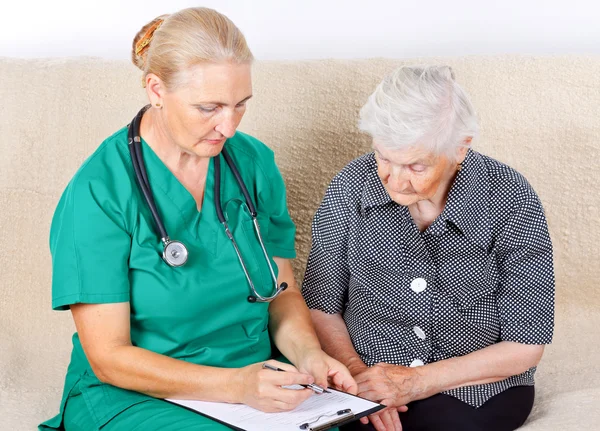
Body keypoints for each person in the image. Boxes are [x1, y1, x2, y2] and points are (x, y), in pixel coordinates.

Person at [39, 7, 355, 430]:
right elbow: (110, 358)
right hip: (141, 393)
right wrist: (235, 387)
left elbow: (281, 293)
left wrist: (309, 355)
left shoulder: (253, 164)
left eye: (241, 105)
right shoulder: (100, 190)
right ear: (156, 89)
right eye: (209, 107)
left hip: (256, 378)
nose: (228, 126)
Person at [302, 65, 555, 431]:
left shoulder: (510, 197)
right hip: (365, 376)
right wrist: (362, 380)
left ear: (460, 148)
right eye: (384, 157)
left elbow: (526, 344)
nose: (395, 178)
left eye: (416, 165)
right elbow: (321, 306)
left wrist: (414, 383)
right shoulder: (350, 186)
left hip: (475, 388)